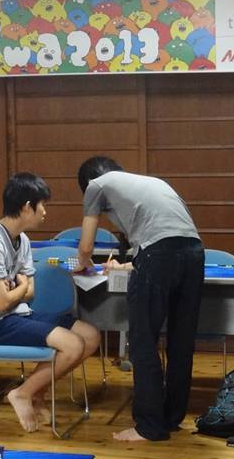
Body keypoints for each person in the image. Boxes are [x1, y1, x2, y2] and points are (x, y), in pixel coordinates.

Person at [76, 156, 204, 442]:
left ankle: (149, 426)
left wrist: (82, 265)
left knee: (143, 340)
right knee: (181, 341)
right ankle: (171, 418)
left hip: (158, 256)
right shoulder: (153, 183)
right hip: (194, 253)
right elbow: (172, 241)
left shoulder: (96, 185)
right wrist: (134, 264)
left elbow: (85, 247)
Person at [0, 172, 100, 433]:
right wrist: (21, 286)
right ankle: (22, 393)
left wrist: (18, 289)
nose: (45, 212)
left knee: (90, 336)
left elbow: (30, 293)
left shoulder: (22, 240)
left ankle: (37, 392)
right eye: (42, 205)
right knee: (72, 344)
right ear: (27, 207)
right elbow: (0, 303)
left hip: (18, 314)